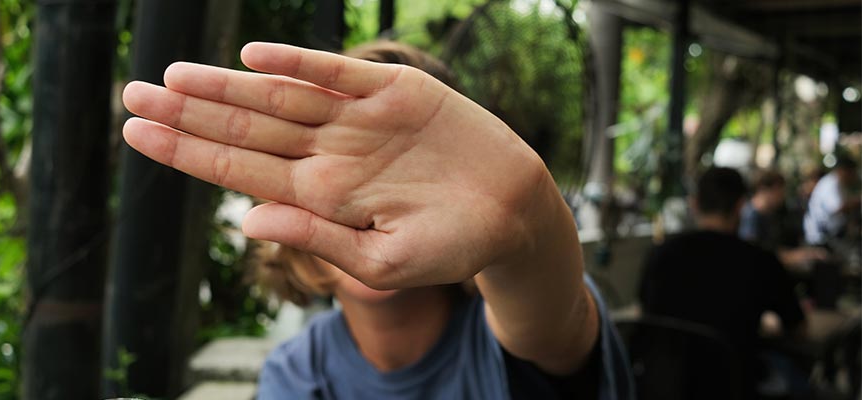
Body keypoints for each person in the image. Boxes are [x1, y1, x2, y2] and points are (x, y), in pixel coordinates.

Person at [120, 41, 633, 399]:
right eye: (340, 181)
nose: (373, 211)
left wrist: (527, 221)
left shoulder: (501, 330)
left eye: (408, 179)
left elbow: (554, 326)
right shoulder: (299, 373)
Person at [640, 167, 806, 399]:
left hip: (665, 386)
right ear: (740, 206)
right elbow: (797, 328)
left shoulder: (661, 255)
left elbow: (648, 313)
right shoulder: (760, 261)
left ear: (695, 204)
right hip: (734, 386)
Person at [740, 169, 827, 270]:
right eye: (779, 191)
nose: (782, 196)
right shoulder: (751, 216)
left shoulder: (771, 213)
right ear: (765, 190)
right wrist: (802, 255)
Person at [803, 156, 861, 247]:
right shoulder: (831, 184)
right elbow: (837, 208)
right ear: (844, 171)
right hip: (820, 237)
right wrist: (858, 200)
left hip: (831, 232)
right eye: (852, 173)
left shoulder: (839, 183)